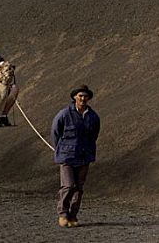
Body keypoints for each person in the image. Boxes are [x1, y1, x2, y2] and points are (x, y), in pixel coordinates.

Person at [51, 85, 100, 228]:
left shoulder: (93, 116)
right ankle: (63, 214)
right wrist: (60, 149)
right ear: (74, 97)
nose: (83, 99)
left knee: (78, 188)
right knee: (68, 185)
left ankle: (73, 215)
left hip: (84, 156)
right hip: (67, 157)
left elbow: (94, 135)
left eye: (85, 96)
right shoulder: (64, 114)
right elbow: (55, 132)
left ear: (89, 98)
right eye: (80, 96)